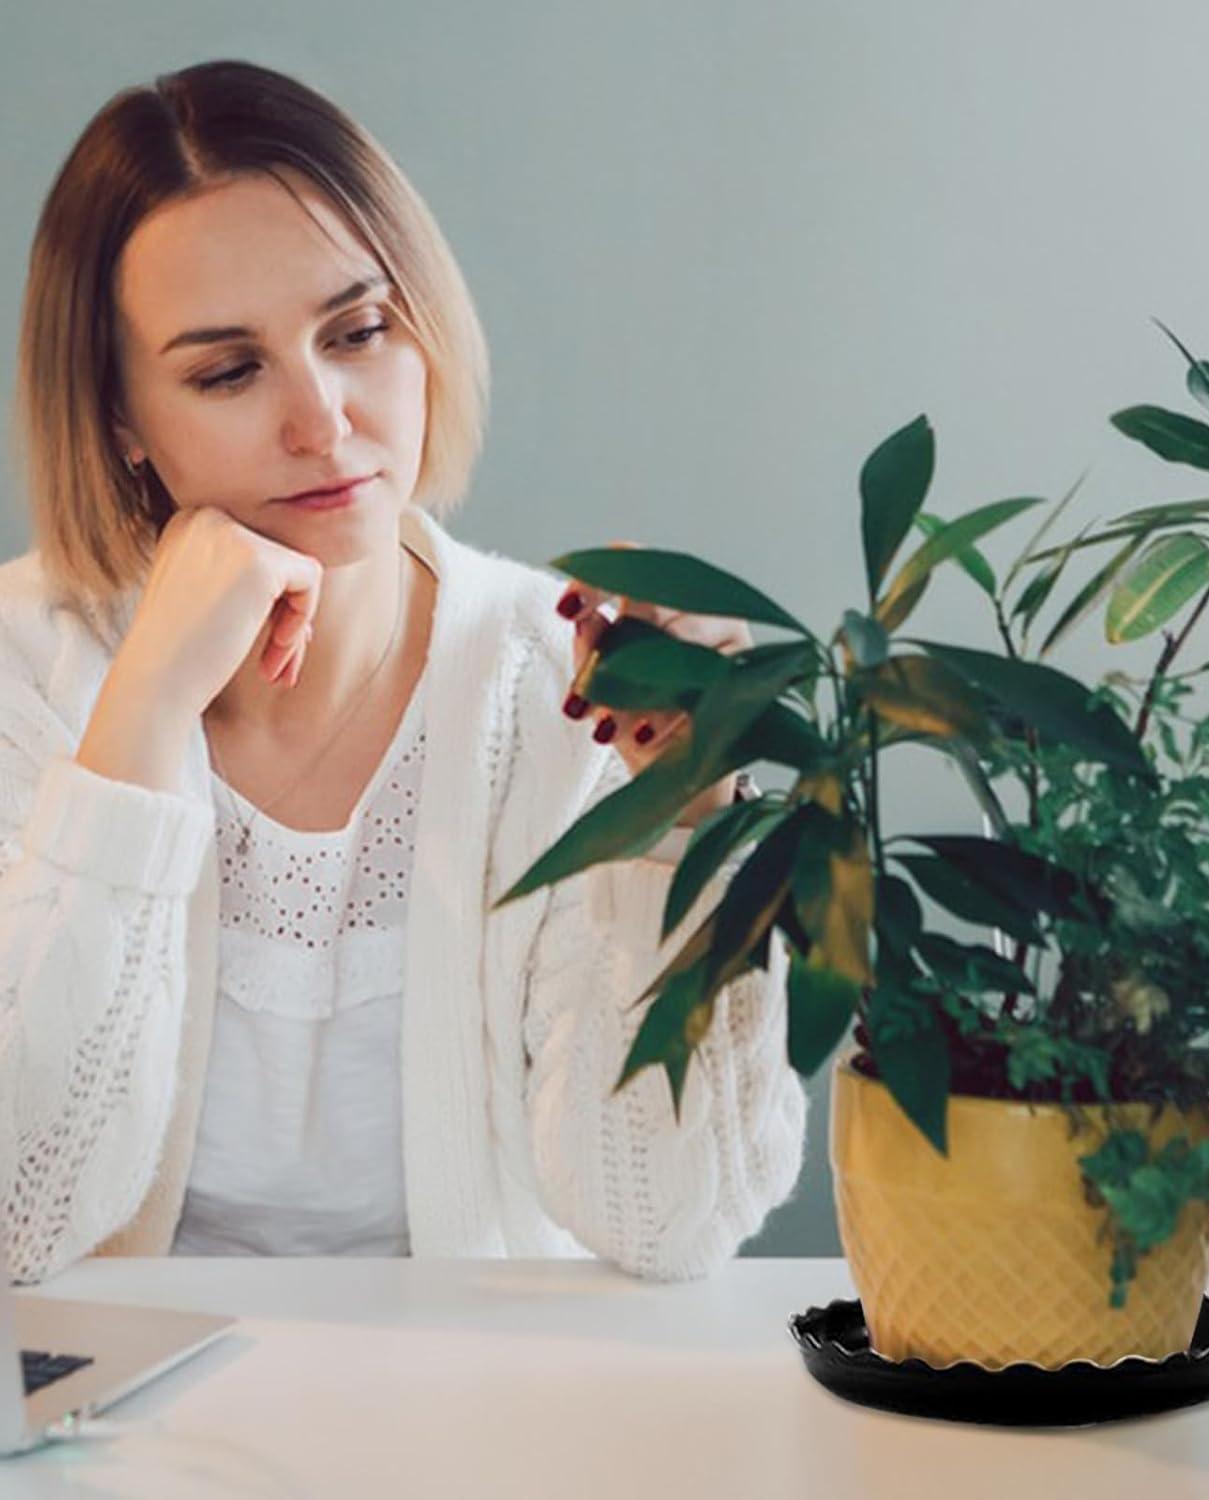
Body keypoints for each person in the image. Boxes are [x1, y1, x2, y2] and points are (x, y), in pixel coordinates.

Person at [0, 60, 807, 1285]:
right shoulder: (26, 672)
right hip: (113, 1441)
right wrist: (147, 703)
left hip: (468, 1432)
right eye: (227, 371)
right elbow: (19, 1210)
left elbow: (669, 1224)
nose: (323, 422)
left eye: (359, 330)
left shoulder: (566, 683)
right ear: (122, 421)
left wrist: (681, 816)